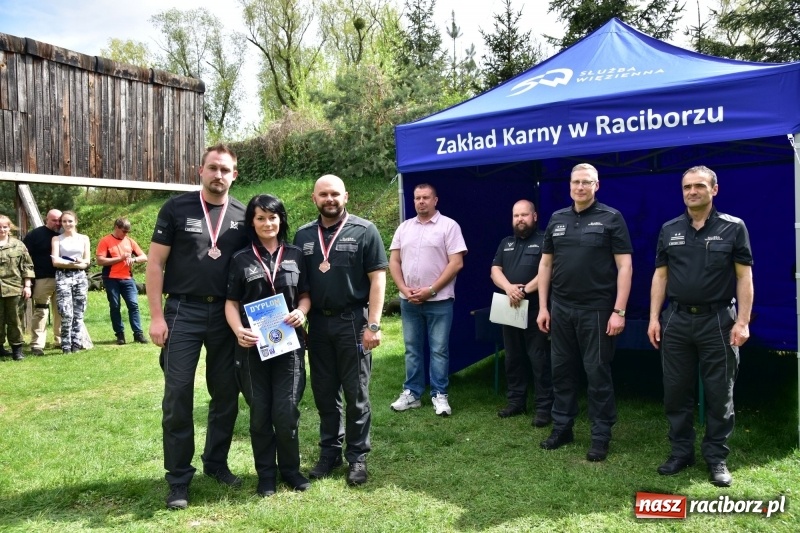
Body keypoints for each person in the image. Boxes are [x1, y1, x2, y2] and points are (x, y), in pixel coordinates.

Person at [146, 144, 248, 510]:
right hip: (182, 313)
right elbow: (155, 265)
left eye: (225, 170)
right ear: (200, 171)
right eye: (213, 168)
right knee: (177, 397)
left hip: (225, 316)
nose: (218, 175)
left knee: (225, 394)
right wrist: (157, 317)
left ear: (234, 175)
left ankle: (216, 464)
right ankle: (178, 479)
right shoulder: (176, 208)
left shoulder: (243, 213)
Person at [647, 166, 753, 488]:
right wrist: (654, 317)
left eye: (699, 186)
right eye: (686, 187)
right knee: (675, 392)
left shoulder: (733, 228)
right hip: (677, 320)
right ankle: (681, 452)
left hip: (718, 320)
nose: (692, 192)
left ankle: (716, 457)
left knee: (720, 393)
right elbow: (660, 277)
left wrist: (743, 321)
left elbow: (743, 276)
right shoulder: (669, 229)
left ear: (714, 190)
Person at [293, 174, 387, 486]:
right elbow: (296, 285)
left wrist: (373, 325)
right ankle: (330, 452)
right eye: (323, 194)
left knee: (356, 393)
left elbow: (377, 279)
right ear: (314, 198)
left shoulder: (365, 230)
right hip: (317, 323)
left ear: (345, 196)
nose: (329, 199)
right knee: (324, 393)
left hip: (353, 322)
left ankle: (357, 457)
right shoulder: (303, 235)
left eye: (335, 194)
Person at [536, 163, 632, 462]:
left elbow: (625, 266)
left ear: (596, 186)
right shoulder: (557, 218)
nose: (580, 187)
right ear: (569, 185)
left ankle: (601, 435)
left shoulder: (611, 218)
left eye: (586, 182)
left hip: (597, 311)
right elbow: (545, 264)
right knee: (561, 371)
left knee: (597, 373)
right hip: (561, 308)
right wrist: (543, 306)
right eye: (576, 182)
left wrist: (619, 310)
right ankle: (562, 427)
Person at [225, 194, 311, 497]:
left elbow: (305, 294)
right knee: (260, 413)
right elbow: (231, 302)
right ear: (252, 222)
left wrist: (302, 311)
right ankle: (266, 476)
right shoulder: (240, 258)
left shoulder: (297, 254)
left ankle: (291, 470)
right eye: (260, 218)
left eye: (272, 217)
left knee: (286, 411)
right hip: (252, 348)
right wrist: (238, 330)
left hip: (289, 345)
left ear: (281, 219)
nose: (267, 223)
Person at [388, 183, 467, 417]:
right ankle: (412, 393)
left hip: (439, 300)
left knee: (439, 349)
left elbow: (456, 263)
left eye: (426, 197)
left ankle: (439, 395)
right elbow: (394, 261)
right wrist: (403, 288)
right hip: (409, 301)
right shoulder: (404, 228)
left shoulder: (449, 226)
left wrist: (430, 290)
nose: (421, 201)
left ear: (435, 200)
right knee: (412, 349)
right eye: (417, 198)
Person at [490, 200, 553, 425]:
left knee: (539, 359)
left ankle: (544, 408)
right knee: (513, 358)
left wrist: (525, 290)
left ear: (534, 216)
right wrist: (509, 288)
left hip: (536, 308)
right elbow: (495, 270)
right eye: (516, 216)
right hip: (510, 308)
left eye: (524, 215)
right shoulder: (506, 242)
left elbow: (549, 270)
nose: (520, 220)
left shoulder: (546, 240)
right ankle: (516, 402)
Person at [96, 218, 148, 345]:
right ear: (116, 228)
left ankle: (138, 334)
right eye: (124, 231)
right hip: (110, 278)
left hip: (128, 279)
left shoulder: (130, 242)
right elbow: (100, 261)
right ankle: (120, 334)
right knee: (115, 306)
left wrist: (134, 260)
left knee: (133, 305)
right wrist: (120, 258)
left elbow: (144, 257)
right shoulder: (105, 241)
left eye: (128, 231)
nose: (126, 234)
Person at [51, 210, 91, 354]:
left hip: (80, 277)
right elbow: (55, 261)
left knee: (79, 311)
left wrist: (81, 263)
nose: (67, 224)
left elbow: (87, 261)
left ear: (76, 222)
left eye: (70, 221)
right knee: (66, 312)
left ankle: (76, 343)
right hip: (63, 276)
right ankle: (65, 345)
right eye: (64, 221)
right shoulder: (57, 239)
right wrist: (73, 264)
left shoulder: (84, 238)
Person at [22, 209, 62, 356]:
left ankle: (61, 340)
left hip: (63, 278)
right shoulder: (35, 235)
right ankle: (37, 344)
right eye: (54, 220)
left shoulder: (65, 234)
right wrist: (28, 279)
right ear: (47, 219)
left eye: (59, 220)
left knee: (61, 311)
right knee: (41, 311)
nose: (57, 223)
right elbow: (25, 257)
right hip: (42, 278)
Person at [0, 215, 34, 361]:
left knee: (15, 320)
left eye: (4, 227)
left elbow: (27, 266)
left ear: (9, 228)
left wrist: (27, 286)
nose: (1, 230)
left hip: (14, 288)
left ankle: (17, 350)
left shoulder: (18, 245)